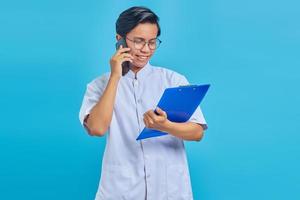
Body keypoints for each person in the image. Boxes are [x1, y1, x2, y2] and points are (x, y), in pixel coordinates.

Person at [79, 6, 208, 200]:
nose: (146, 50)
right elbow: (97, 128)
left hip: (169, 190)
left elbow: (197, 132)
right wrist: (115, 76)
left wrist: (166, 126)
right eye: (139, 41)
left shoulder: (174, 81)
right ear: (119, 40)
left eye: (152, 42)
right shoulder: (99, 85)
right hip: (120, 190)